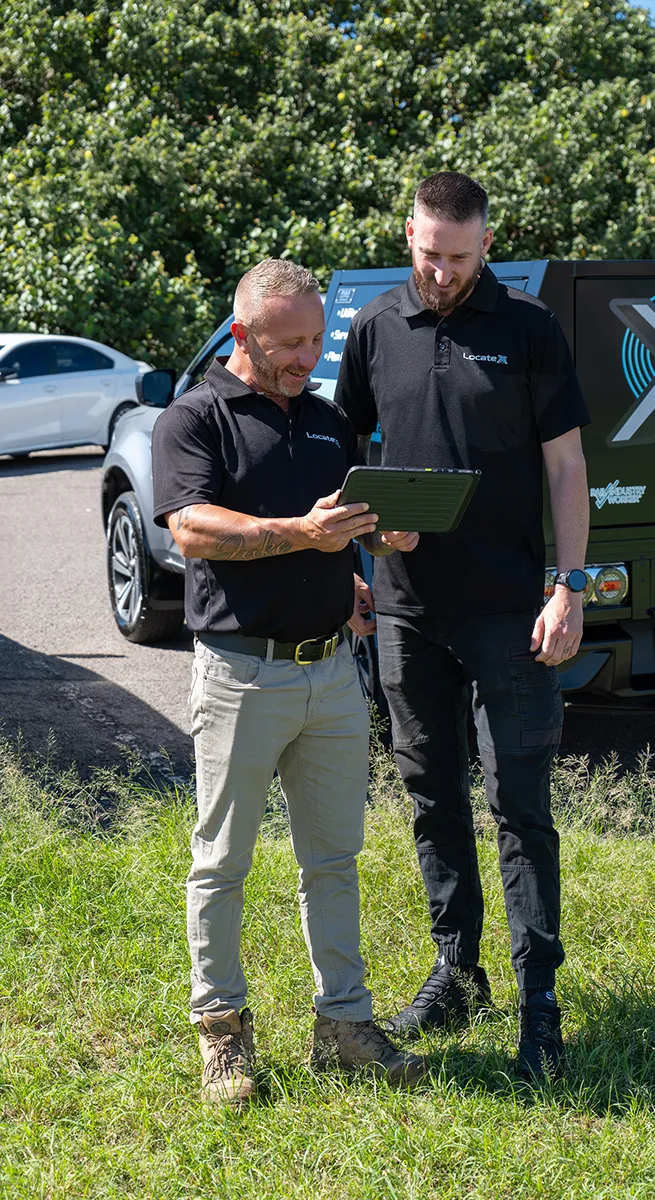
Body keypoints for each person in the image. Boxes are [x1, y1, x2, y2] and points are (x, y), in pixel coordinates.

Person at [151, 257, 425, 1107]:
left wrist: (381, 538)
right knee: (221, 862)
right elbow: (193, 529)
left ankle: (344, 1025)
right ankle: (222, 1034)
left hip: (333, 672)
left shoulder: (325, 418)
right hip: (241, 673)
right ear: (244, 335)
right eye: (290, 344)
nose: (309, 357)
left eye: (316, 339)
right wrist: (302, 535)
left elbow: (343, 524)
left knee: (333, 860)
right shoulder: (194, 417)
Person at [335, 172, 591, 1078]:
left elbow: (568, 468)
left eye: (459, 255)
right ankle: (457, 970)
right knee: (431, 794)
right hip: (406, 608)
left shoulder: (530, 330)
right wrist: (359, 557)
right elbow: (345, 456)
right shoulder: (374, 328)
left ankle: (538, 1000)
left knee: (519, 803)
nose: (441, 272)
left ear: (487, 242)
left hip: (511, 609)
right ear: (408, 234)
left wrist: (570, 588)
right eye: (429, 253)